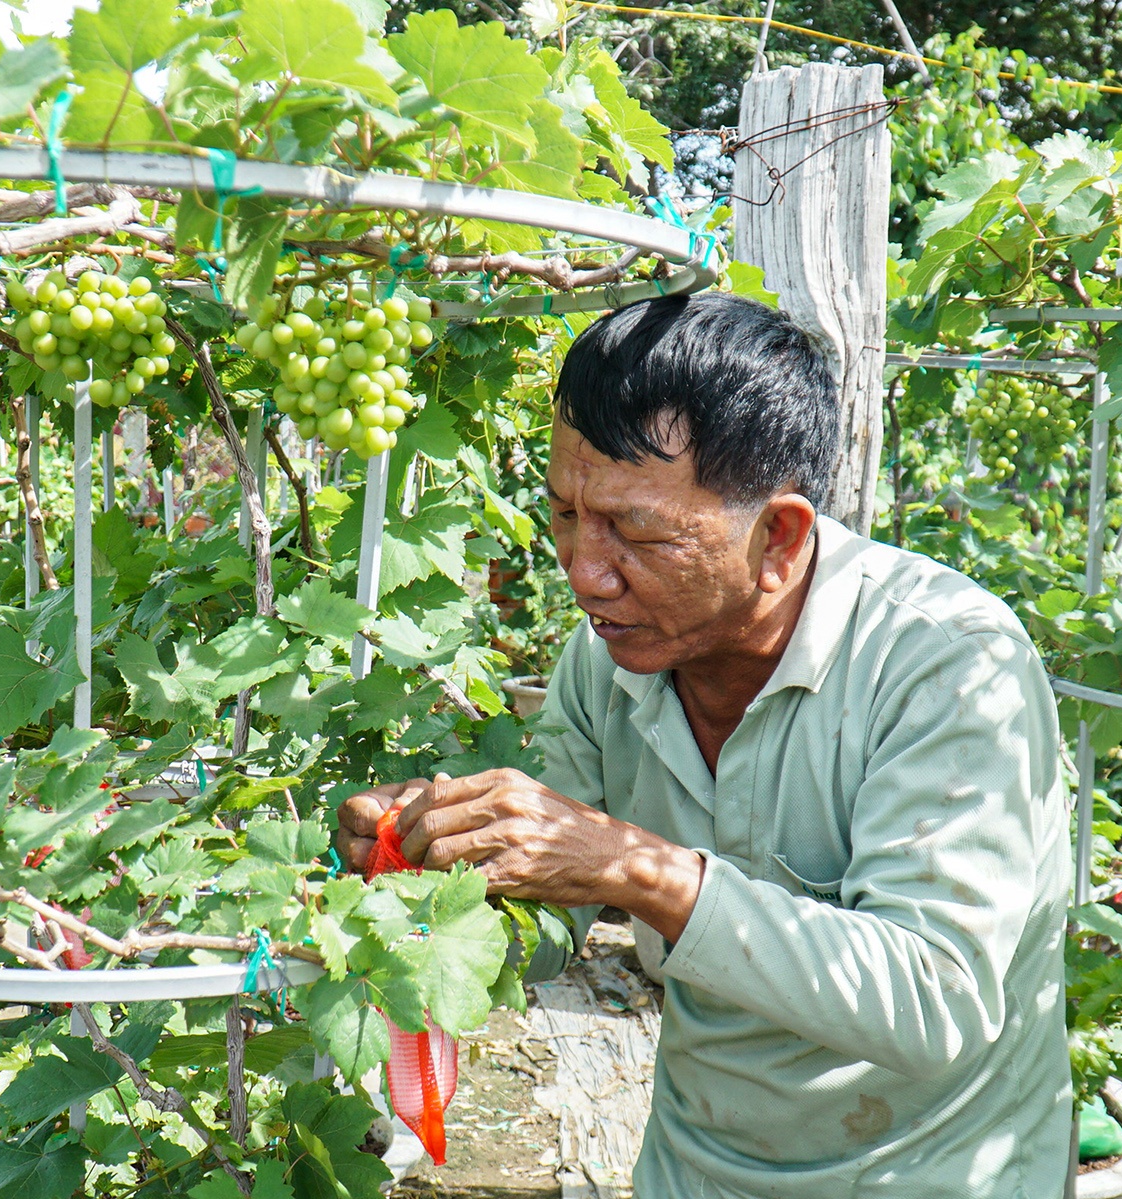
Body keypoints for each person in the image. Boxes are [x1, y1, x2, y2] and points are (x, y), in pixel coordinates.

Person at [335, 293, 1072, 1197]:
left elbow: (935, 1003)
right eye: (566, 513)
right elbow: (541, 932)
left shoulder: (949, 664)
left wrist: (636, 869)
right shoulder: (610, 658)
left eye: (636, 530)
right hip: (697, 1171)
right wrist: (436, 866)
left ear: (779, 537)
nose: (583, 569)